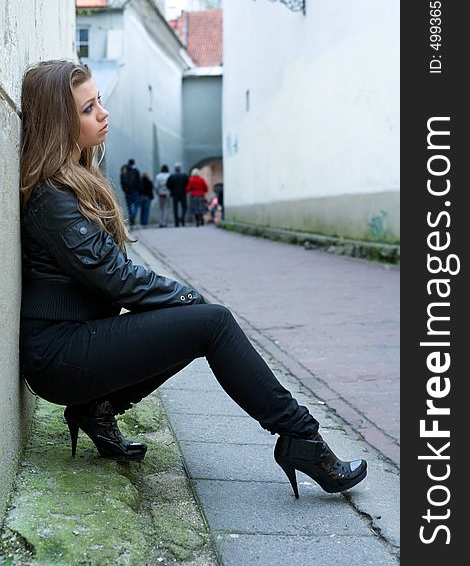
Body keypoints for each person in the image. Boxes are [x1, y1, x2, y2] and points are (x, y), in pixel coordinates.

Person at [19, 60, 367, 499]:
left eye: (99, 101)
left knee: (197, 318)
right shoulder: (53, 196)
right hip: (58, 354)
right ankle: (302, 437)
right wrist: (188, 298)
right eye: (88, 109)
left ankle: (96, 409)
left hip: (76, 340)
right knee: (210, 322)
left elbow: (114, 276)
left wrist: (184, 302)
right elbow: (115, 279)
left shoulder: (73, 183)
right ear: (59, 123)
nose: (103, 113)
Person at [120, 158, 140, 226]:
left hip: (127, 192)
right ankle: (132, 216)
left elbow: (122, 180)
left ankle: (131, 218)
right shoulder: (136, 171)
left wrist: (124, 189)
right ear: (134, 163)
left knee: (129, 206)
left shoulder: (124, 170)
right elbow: (138, 182)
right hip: (135, 191)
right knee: (136, 205)